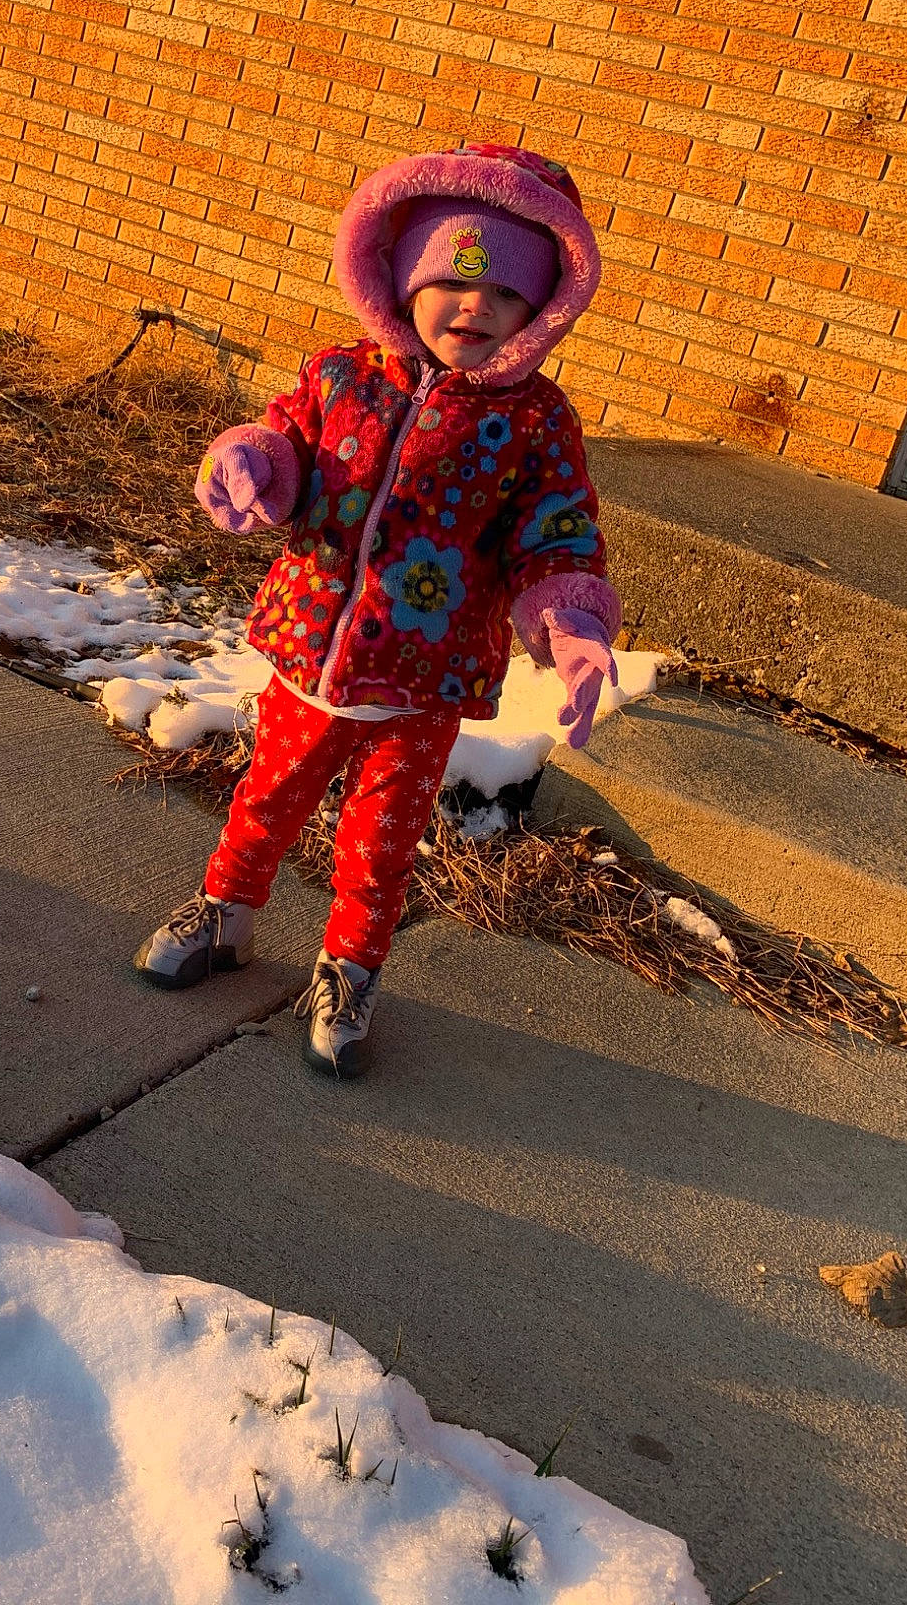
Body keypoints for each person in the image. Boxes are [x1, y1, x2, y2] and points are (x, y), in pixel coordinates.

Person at [134, 143, 621, 1078]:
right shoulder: (339, 376)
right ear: (401, 279)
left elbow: (557, 535)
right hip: (308, 658)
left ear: (541, 314)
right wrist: (251, 464)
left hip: (422, 685)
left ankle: (351, 968)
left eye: (506, 293)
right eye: (454, 281)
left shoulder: (534, 423)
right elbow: (283, 445)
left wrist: (572, 624)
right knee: (265, 797)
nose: (475, 306)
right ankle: (226, 913)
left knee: (379, 844)